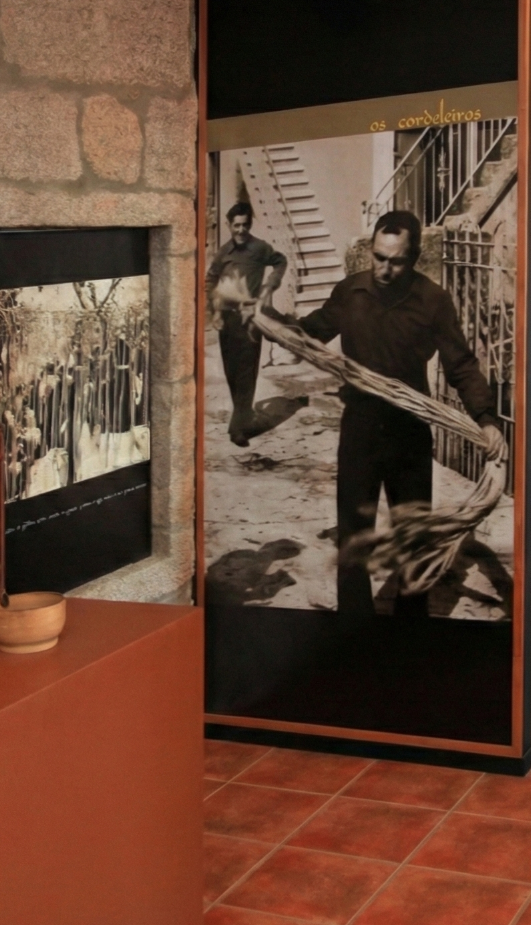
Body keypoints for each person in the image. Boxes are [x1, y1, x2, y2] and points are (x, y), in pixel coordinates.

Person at [297, 210, 506, 624]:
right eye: (378, 257)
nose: (384, 269)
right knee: (354, 538)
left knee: (414, 540)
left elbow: (460, 364)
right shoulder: (351, 292)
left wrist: (485, 417)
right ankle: (354, 628)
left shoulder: (432, 301)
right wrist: (267, 323)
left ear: (412, 261)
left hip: (408, 432)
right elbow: (312, 329)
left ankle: (410, 633)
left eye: (395, 261)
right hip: (359, 427)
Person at [206, 202, 288, 446]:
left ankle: (238, 428)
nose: (241, 230)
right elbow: (209, 280)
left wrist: (269, 285)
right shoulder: (223, 253)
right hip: (228, 319)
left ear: (249, 225)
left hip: (251, 319)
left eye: (245, 225)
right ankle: (244, 412)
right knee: (232, 373)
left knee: (246, 373)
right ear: (229, 226)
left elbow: (280, 261)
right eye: (236, 225)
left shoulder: (260, 248)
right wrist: (215, 312)